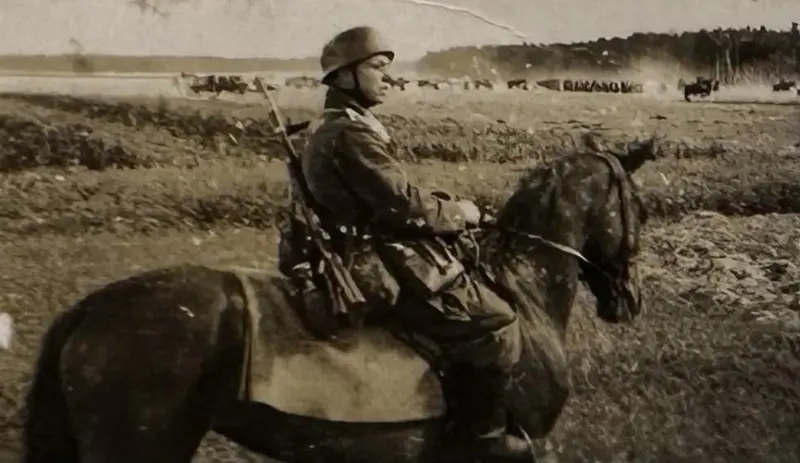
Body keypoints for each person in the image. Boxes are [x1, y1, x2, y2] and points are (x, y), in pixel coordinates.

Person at [277, 26, 533, 461]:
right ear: (343, 77)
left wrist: (439, 205)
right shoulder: (351, 133)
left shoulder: (332, 126)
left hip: (361, 245)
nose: (387, 78)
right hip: (378, 259)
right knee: (497, 324)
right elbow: (402, 206)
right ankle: (479, 442)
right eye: (377, 68)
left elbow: (389, 197)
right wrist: (461, 214)